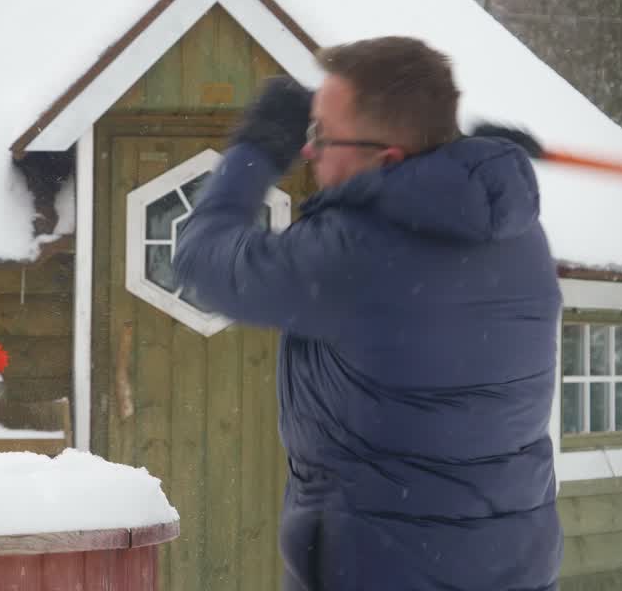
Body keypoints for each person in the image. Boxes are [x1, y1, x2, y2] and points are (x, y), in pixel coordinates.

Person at [173, 37, 564, 590]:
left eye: (322, 135)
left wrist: (256, 150)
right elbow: (443, 204)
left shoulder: (356, 252)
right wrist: (464, 160)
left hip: (384, 565)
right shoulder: (517, 233)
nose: (308, 151)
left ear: (389, 159)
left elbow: (201, 262)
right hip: (513, 563)